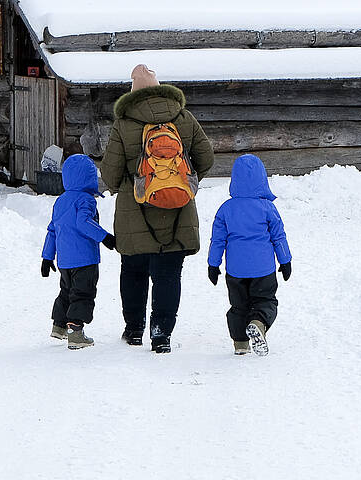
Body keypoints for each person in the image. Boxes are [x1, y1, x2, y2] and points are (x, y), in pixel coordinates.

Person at [98, 64, 214, 353]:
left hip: (133, 212)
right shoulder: (183, 117)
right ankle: (161, 334)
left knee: (134, 271)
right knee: (168, 275)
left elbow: (110, 175)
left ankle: (135, 329)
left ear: (133, 92)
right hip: (178, 210)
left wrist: (133, 183)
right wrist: (182, 179)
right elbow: (207, 157)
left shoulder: (124, 124)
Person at [206, 154, 292, 356]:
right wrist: (285, 260)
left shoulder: (226, 209)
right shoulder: (267, 207)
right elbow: (278, 236)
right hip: (263, 269)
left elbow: (217, 240)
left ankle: (240, 344)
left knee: (238, 306)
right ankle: (259, 322)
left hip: (236, 270)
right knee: (266, 300)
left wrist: (213, 264)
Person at [41, 153, 116, 349]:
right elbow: (83, 222)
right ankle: (76, 333)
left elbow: (52, 230)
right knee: (83, 293)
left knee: (66, 291)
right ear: (90, 177)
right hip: (84, 259)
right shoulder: (86, 200)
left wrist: (47, 257)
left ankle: (59, 326)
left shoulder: (61, 201)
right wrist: (105, 237)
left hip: (64, 260)